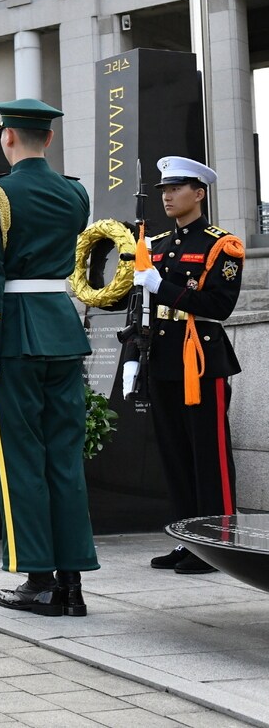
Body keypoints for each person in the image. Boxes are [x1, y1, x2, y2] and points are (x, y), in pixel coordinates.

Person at [0, 98, 96, 617]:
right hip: (62, 329)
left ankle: (39, 580)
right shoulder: (75, 194)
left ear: (9, 137)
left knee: (21, 459)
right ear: (49, 139)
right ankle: (72, 583)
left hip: (14, 337)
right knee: (64, 460)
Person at [124, 156, 243, 575]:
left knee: (207, 454)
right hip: (162, 357)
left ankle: (219, 542)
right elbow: (142, 311)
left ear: (200, 193)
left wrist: (164, 287)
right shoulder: (155, 245)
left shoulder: (221, 245)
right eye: (164, 190)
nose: (168, 196)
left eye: (176, 188)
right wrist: (133, 359)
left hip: (201, 360)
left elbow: (219, 306)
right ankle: (187, 541)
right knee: (173, 455)